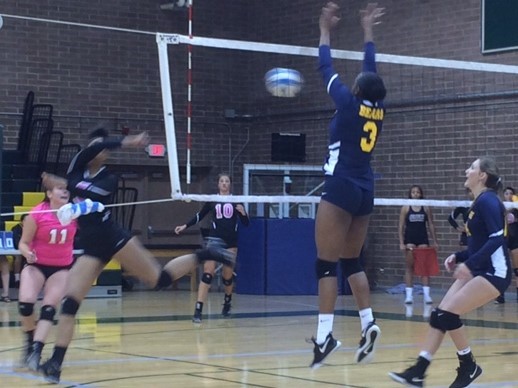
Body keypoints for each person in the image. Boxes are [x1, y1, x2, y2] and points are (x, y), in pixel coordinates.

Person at [38, 127, 235, 384]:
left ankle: (206, 254)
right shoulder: (76, 167)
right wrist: (64, 184)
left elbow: (89, 196)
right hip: (91, 246)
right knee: (69, 304)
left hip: (113, 237)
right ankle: (55, 363)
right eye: (98, 145)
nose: (101, 149)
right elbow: (84, 171)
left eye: (105, 147)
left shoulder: (108, 179)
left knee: (160, 280)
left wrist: (129, 143)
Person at [389, 156, 511, 388]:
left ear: (482, 176)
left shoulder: (488, 201)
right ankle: (420, 370)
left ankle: (468, 365)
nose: (467, 171)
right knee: (440, 315)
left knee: (448, 314)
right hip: (479, 268)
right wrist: (460, 256)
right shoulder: (478, 202)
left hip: (494, 273)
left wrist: (470, 264)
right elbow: (480, 243)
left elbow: (497, 239)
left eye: (472, 168)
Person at [309, 2, 386, 369]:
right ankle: (368, 322)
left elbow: (326, 66)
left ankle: (324, 337)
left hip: (339, 187)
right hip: (365, 190)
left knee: (326, 265)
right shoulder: (377, 108)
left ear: (355, 89)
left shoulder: (347, 103)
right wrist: (367, 29)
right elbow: (371, 69)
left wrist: (326, 29)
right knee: (351, 259)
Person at [17, 173, 77, 371]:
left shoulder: (74, 213)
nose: (64, 191)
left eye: (66, 189)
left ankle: (36, 349)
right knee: (26, 305)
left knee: (49, 308)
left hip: (61, 267)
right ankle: (30, 338)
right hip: (36, 264)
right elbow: (23, 243)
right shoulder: (37, 214)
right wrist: (28, 254)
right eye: (59, 189)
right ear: (49, 194)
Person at [175, 173, 249, 324]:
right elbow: (199, 215)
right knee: (208, 273)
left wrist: (243, 213)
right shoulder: (212, 200)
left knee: (227, 277)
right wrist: (185, 225)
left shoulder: (236, 201)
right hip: (215, 240)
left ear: (230, 184)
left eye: (227, 181)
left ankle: (227, 302)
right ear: (218, 184)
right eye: (221, 181)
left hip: (231, 242)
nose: (224, 183)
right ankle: (198, 309)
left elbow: (246, 223)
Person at [398, 185, 439, 305]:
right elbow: (400, 226)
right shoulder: (406, 207)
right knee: (409, 267)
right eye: (413, 192)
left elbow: (431, 224)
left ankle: (427, 295)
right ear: (410, 194)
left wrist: (435, 240)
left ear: (421, 194)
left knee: (424, 268)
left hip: (423, 240)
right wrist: (401, 242)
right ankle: (409, 296)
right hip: (410, 239)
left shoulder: (425, 207)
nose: (415, 194)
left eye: (417, 192)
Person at [496, 186, 518, 303]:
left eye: (511, 193)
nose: (508, 195)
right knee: (502, 268)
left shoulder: (516, 207)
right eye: (506, 193)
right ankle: (500, 296)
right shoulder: (500, 208)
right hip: (504, 239)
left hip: (515, 240)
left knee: (517, 269)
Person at [11, 213, 28, 288]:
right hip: (17, 250)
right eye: (26, 221)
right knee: (18, 257)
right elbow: (16, 243)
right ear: (22, 221)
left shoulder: (33, 228)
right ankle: (17, 279)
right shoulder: (16, 228)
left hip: (28, 250)